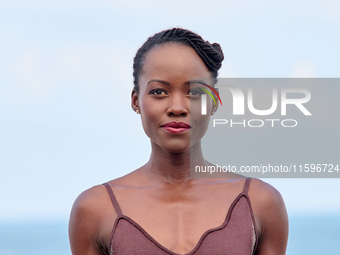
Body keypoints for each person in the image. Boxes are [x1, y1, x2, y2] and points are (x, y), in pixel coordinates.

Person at [69, 28, 289, 255]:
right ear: (136, 101)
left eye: (195, 93)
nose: (177, 108)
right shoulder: (96, 210)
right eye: (159, 92)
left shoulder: (260, 204)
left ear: (214, 103)